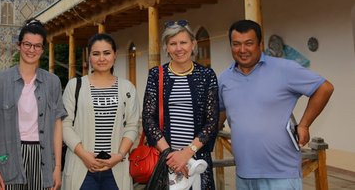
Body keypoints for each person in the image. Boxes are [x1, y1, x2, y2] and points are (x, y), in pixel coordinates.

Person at [219, 19, 334, 190]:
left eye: (249, 43)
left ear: (260, 43)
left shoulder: (284, 69)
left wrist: (304, 125)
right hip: (244, 174)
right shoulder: (224, 78)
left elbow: (324, 88)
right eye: (236, 44)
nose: (242, 50)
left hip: (281, 173)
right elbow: (219, 114)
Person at [0, 18, 67, 190]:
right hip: (9, 157)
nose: (31, 50)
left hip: (43, 158)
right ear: (19, 45)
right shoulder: (0, 80)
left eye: (37, 46)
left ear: (43, 49)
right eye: (27, 44)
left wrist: (57, 167)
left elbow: (57, 126)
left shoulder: (53, 82)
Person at [142, 20, 219, 190]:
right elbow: (148, 118)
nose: (179, 48)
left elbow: (212, 121)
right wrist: (170, 156)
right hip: (166, 160)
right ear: (166, 48)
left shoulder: (207, 75)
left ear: (193, 44)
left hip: (197, 159)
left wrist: (187, 153)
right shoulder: (156, 75)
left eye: (183, 42)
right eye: (173, 43)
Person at [62, 33, 140, 190]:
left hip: (115, 170)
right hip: (82, 167)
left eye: (107, 53)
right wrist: (84, 155)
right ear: (89, 56)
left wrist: (119, 156)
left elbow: (132, 125)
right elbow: (65, 124)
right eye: (96, 54)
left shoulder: (127, 87)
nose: (101, 59)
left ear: (115, 55)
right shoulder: (75, 85)